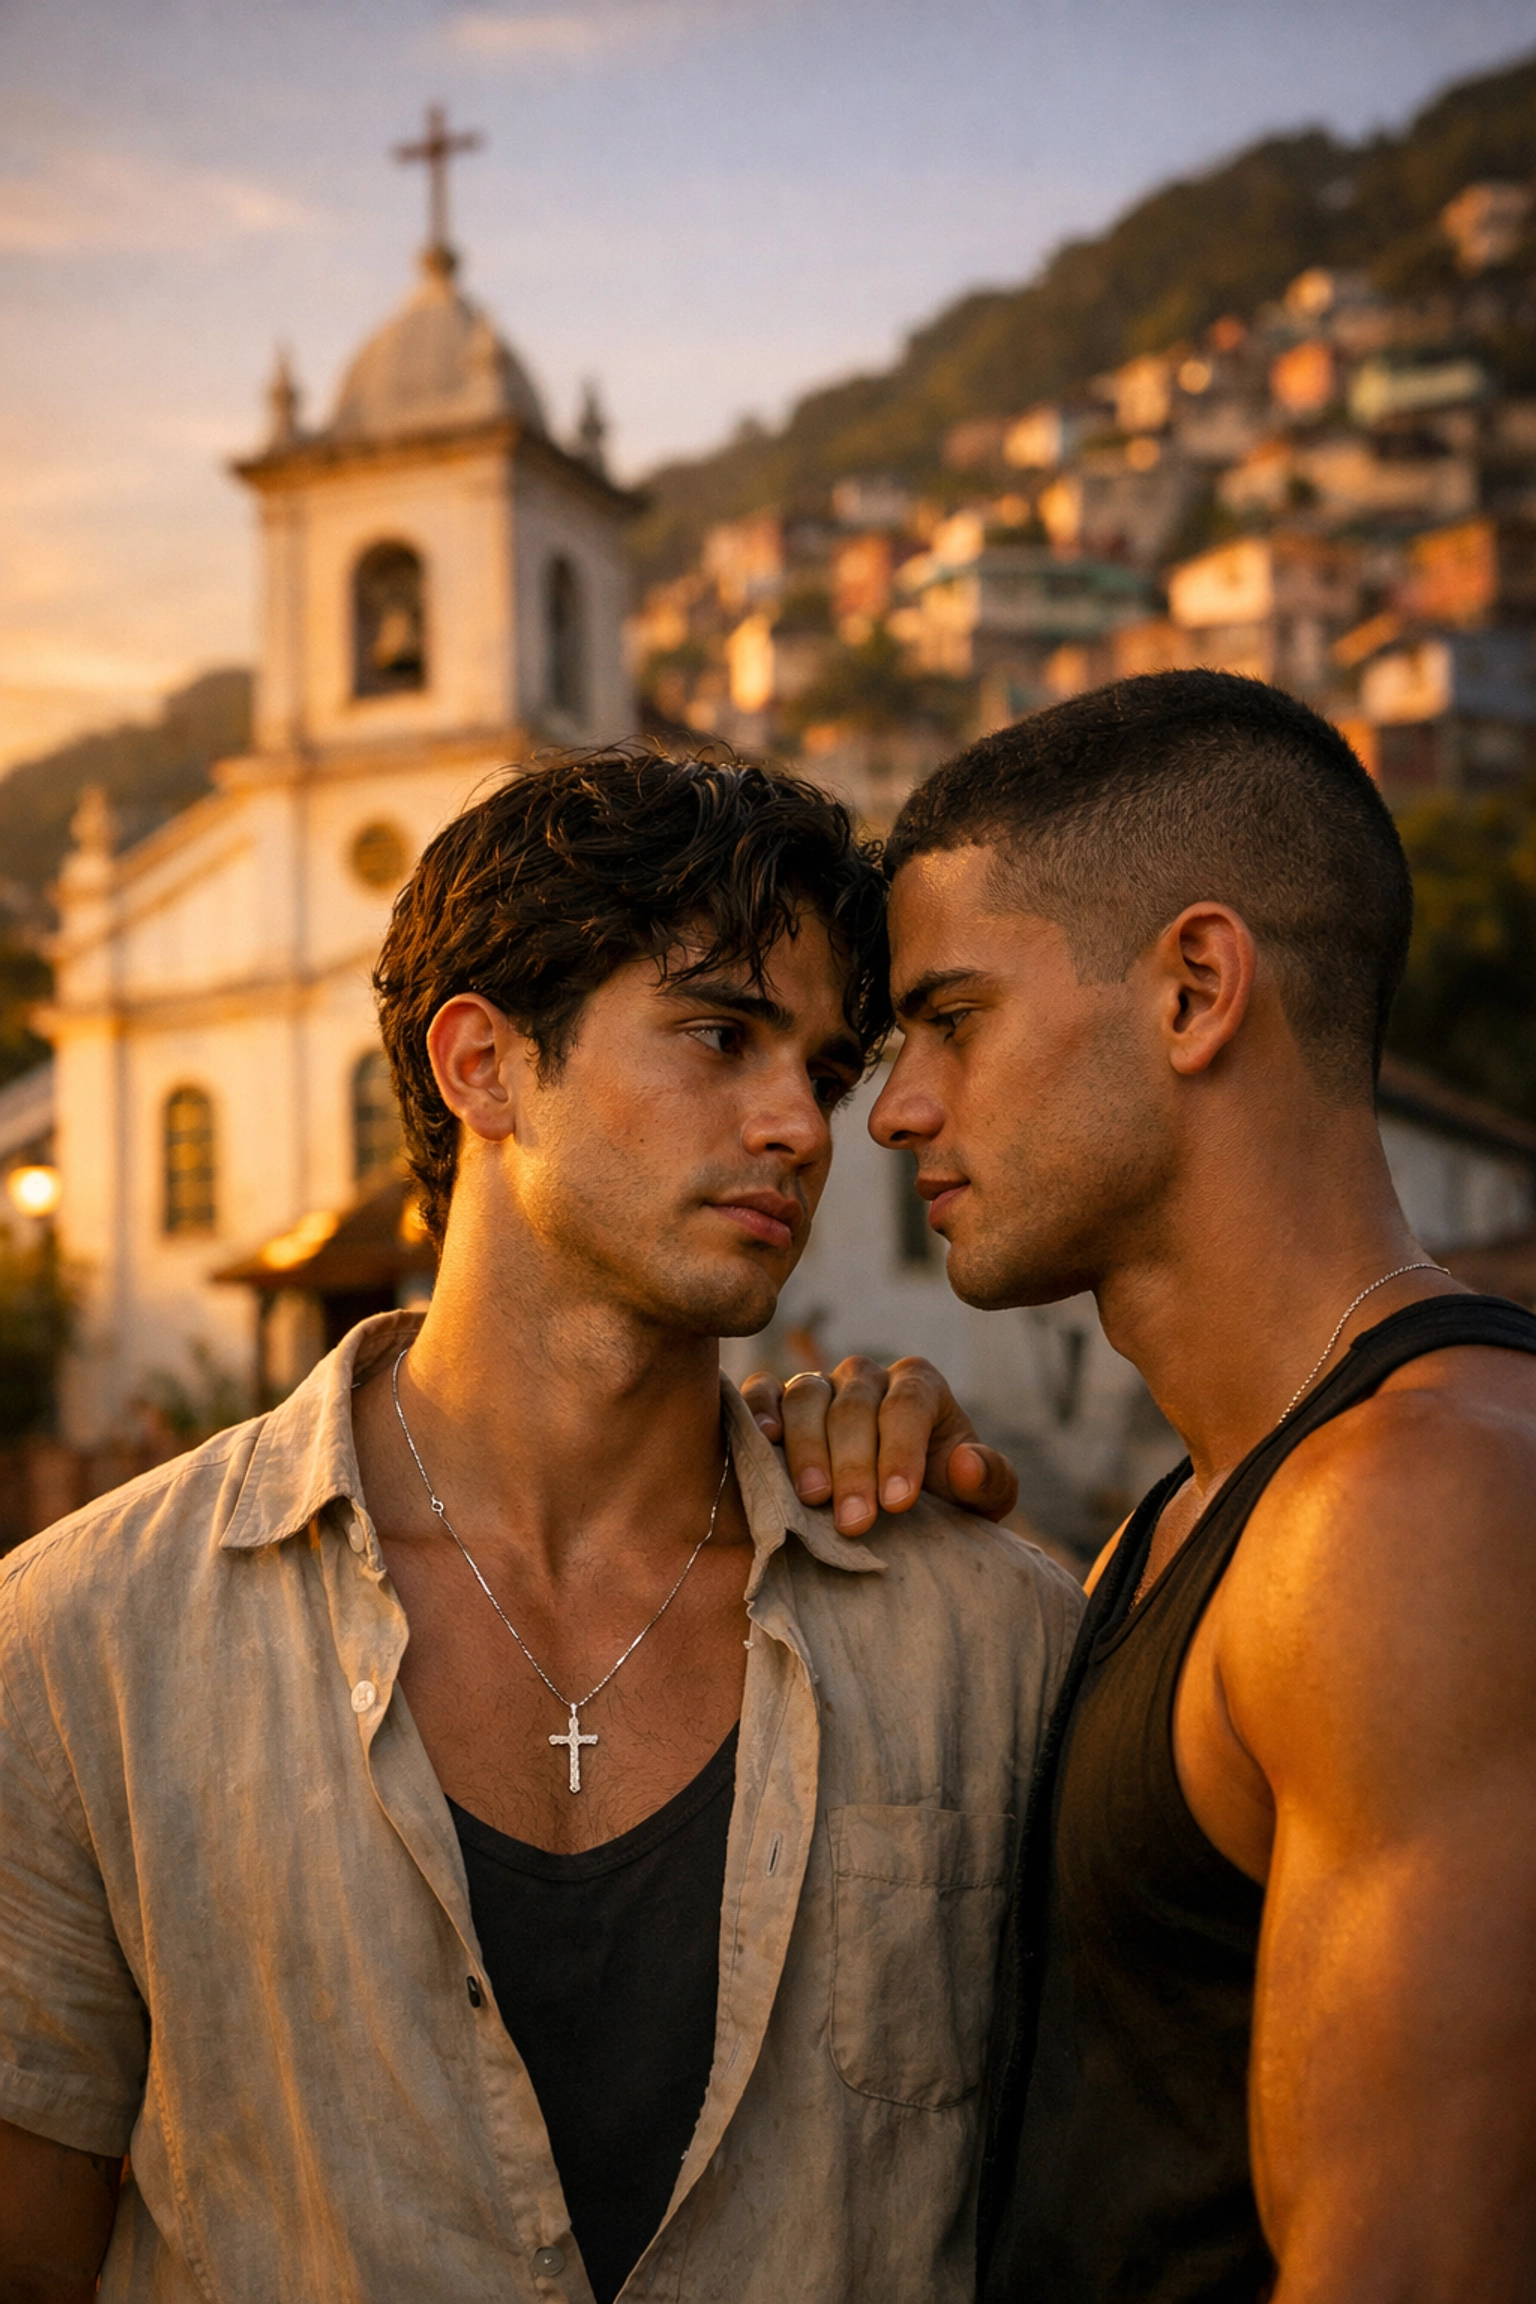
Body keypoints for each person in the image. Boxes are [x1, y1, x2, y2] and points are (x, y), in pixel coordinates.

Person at [0, 750, 1081, 2304]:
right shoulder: (86, 1647)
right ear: (483, 1067)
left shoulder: (987, 1637)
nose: (800, 1126)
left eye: (824, 1071)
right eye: (721, 1035)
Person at [853, 670, 1536, 2302]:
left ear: (1194, 989)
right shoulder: (1185, 1526)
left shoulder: (1411, 1510)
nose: (895, 1110)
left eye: (953, 1019)